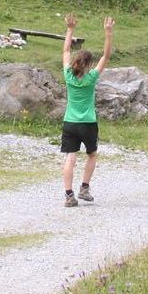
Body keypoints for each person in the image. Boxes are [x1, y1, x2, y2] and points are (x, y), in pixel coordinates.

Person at [60, 12, 115, 207]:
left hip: (70, 122)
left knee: (70, 158)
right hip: (88, 123)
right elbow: (106, 56)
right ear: (89, 66)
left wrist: (70, 29)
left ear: (75, 62)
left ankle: (68, 195)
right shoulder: (91, 78)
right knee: (91, 155)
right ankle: (84, 188)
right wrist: (108, 33)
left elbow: (66, 51)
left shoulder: (68, 75)